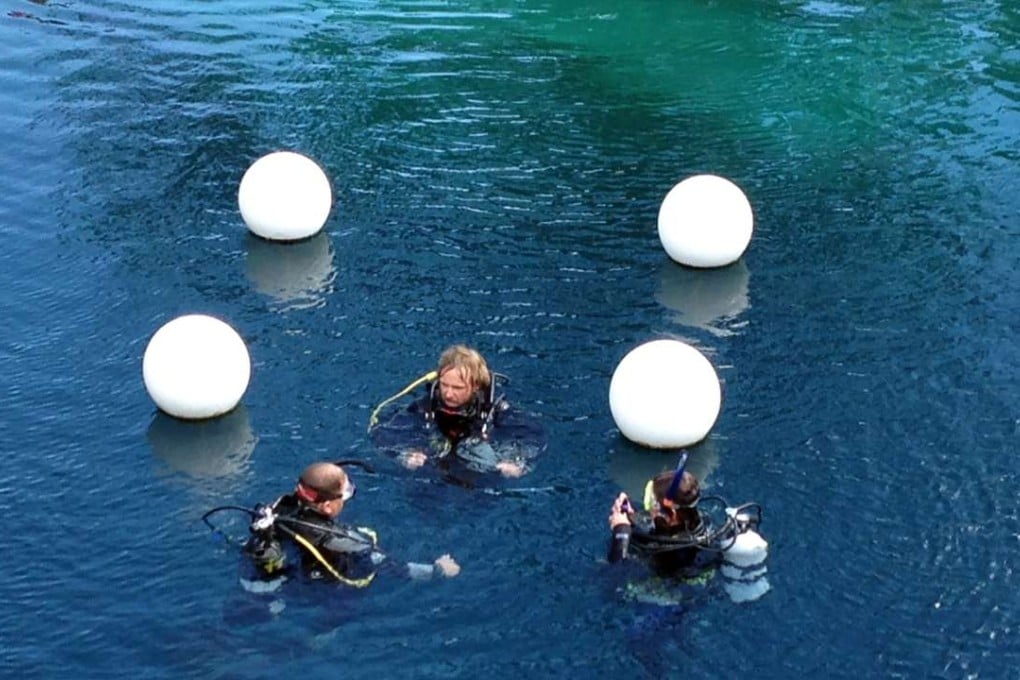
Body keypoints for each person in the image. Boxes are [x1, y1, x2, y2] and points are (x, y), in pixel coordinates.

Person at [240, 461, 460, 588]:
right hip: (313, 594)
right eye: (343, 496)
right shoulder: (336, 540)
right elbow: (392, 568)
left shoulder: (281, 508)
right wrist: (438, 570)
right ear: (327, 506)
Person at [369, 345, 544, 481]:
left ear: (476, 386)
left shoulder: (495, 408)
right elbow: (384, 431)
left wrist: (514, 460)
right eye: (445, 385)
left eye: (458, 388)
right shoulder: (425, 405)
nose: (448, 393)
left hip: (476, 460)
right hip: (435, 458)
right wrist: (404, 453)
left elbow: (531, 436)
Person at [607, 453, 764, 579]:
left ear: (673, 512)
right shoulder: (703, 523)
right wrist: (633, 520)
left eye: (652, 501)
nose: (648, 507)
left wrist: (620, 531)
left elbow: (618, 574)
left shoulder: (671, 553)